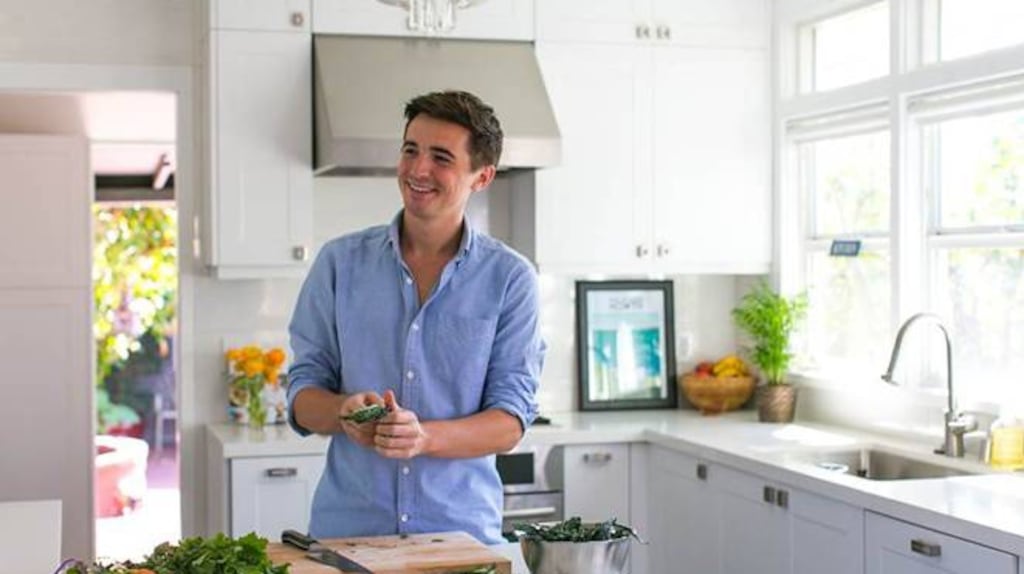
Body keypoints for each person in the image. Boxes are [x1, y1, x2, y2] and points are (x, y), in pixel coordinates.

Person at [286, 90, 545, 545]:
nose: (418, 169)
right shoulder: (339, 263)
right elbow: (302, 395)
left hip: (459, 541)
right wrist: (341, 412)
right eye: (410, 150)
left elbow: (510, 421)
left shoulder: (510, 278)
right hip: (348, 540)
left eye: (441, 157)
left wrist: (424, 437)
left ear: (482, 176)